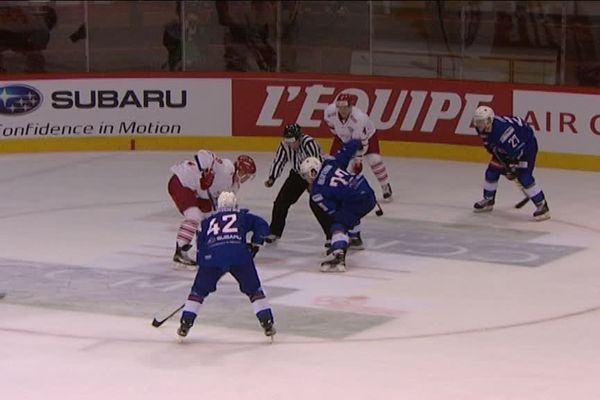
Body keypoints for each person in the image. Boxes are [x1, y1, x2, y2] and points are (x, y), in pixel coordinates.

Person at [177, 191, 275, 339]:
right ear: (235, 204)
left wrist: (203, 264)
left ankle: (185, 323)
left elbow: (200, 245)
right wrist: (255, 244)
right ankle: (267, 323)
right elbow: (262, 225)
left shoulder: (207, 221)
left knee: (197, 292)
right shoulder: (242, 216)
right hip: (239, 256)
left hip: (212, 259)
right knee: (254, 290)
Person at [168, 150, 257, 268]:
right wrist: (206, 172)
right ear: (240, 170)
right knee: (194, 216)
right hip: (182, 181)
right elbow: (203, 154)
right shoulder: (227, 167)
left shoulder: (234, 186)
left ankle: (204, 249)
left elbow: (224, 213)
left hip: (198, 192)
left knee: (209, 220)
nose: (246, 178)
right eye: (246, 175)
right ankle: (181, 251)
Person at [300, 139, 377, 272]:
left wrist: (340, 231)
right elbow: (352, 145)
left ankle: (339, 256)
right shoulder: (331, 164)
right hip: (367, 190)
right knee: (349, 211)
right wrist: (358, 155)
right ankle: (355, 237)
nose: (306, 179)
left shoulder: (317, 193)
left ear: (312, 172)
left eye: (306, 175)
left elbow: (333, 213)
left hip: (357, 199)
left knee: (338, 224)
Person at [472, 105, 550, 221]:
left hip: (526, 147)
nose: (479, 124)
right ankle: (489, 199)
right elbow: (489, 145)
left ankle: (542, 206)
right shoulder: (481, 128)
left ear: (489, 120)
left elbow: (516, 152)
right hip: (505, 149)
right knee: (492, 171)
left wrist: (512, 168)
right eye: (477, 121)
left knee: (524, 177)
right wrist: (505, 165)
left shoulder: (504, 132)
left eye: (481, 121)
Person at [263, 123, 333, 247]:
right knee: (280, 202)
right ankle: (274, 232)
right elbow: (279, 160)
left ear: (300, 137)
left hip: (314, 175)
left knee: (318, 204)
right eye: (288, 141)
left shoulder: (309, 143)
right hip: (297, 174)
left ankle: (331, 235)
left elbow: (317, 163)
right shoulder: (284, 144)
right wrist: (272, 177)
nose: (291, 144)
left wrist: (314, 183)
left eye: (293, 141)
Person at [324, 93, 393, 202]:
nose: (342, 110)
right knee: (334, 163)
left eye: (345, 107)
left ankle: (385, 186)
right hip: (342, 136)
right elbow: (332, 127)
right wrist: (342, 137)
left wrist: (358, 160)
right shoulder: (329, 112)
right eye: (340, 107)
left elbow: (360, 143)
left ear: (351, 107)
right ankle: (334, 191)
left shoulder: (359, 118)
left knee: (374, 160)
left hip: (367, 137)